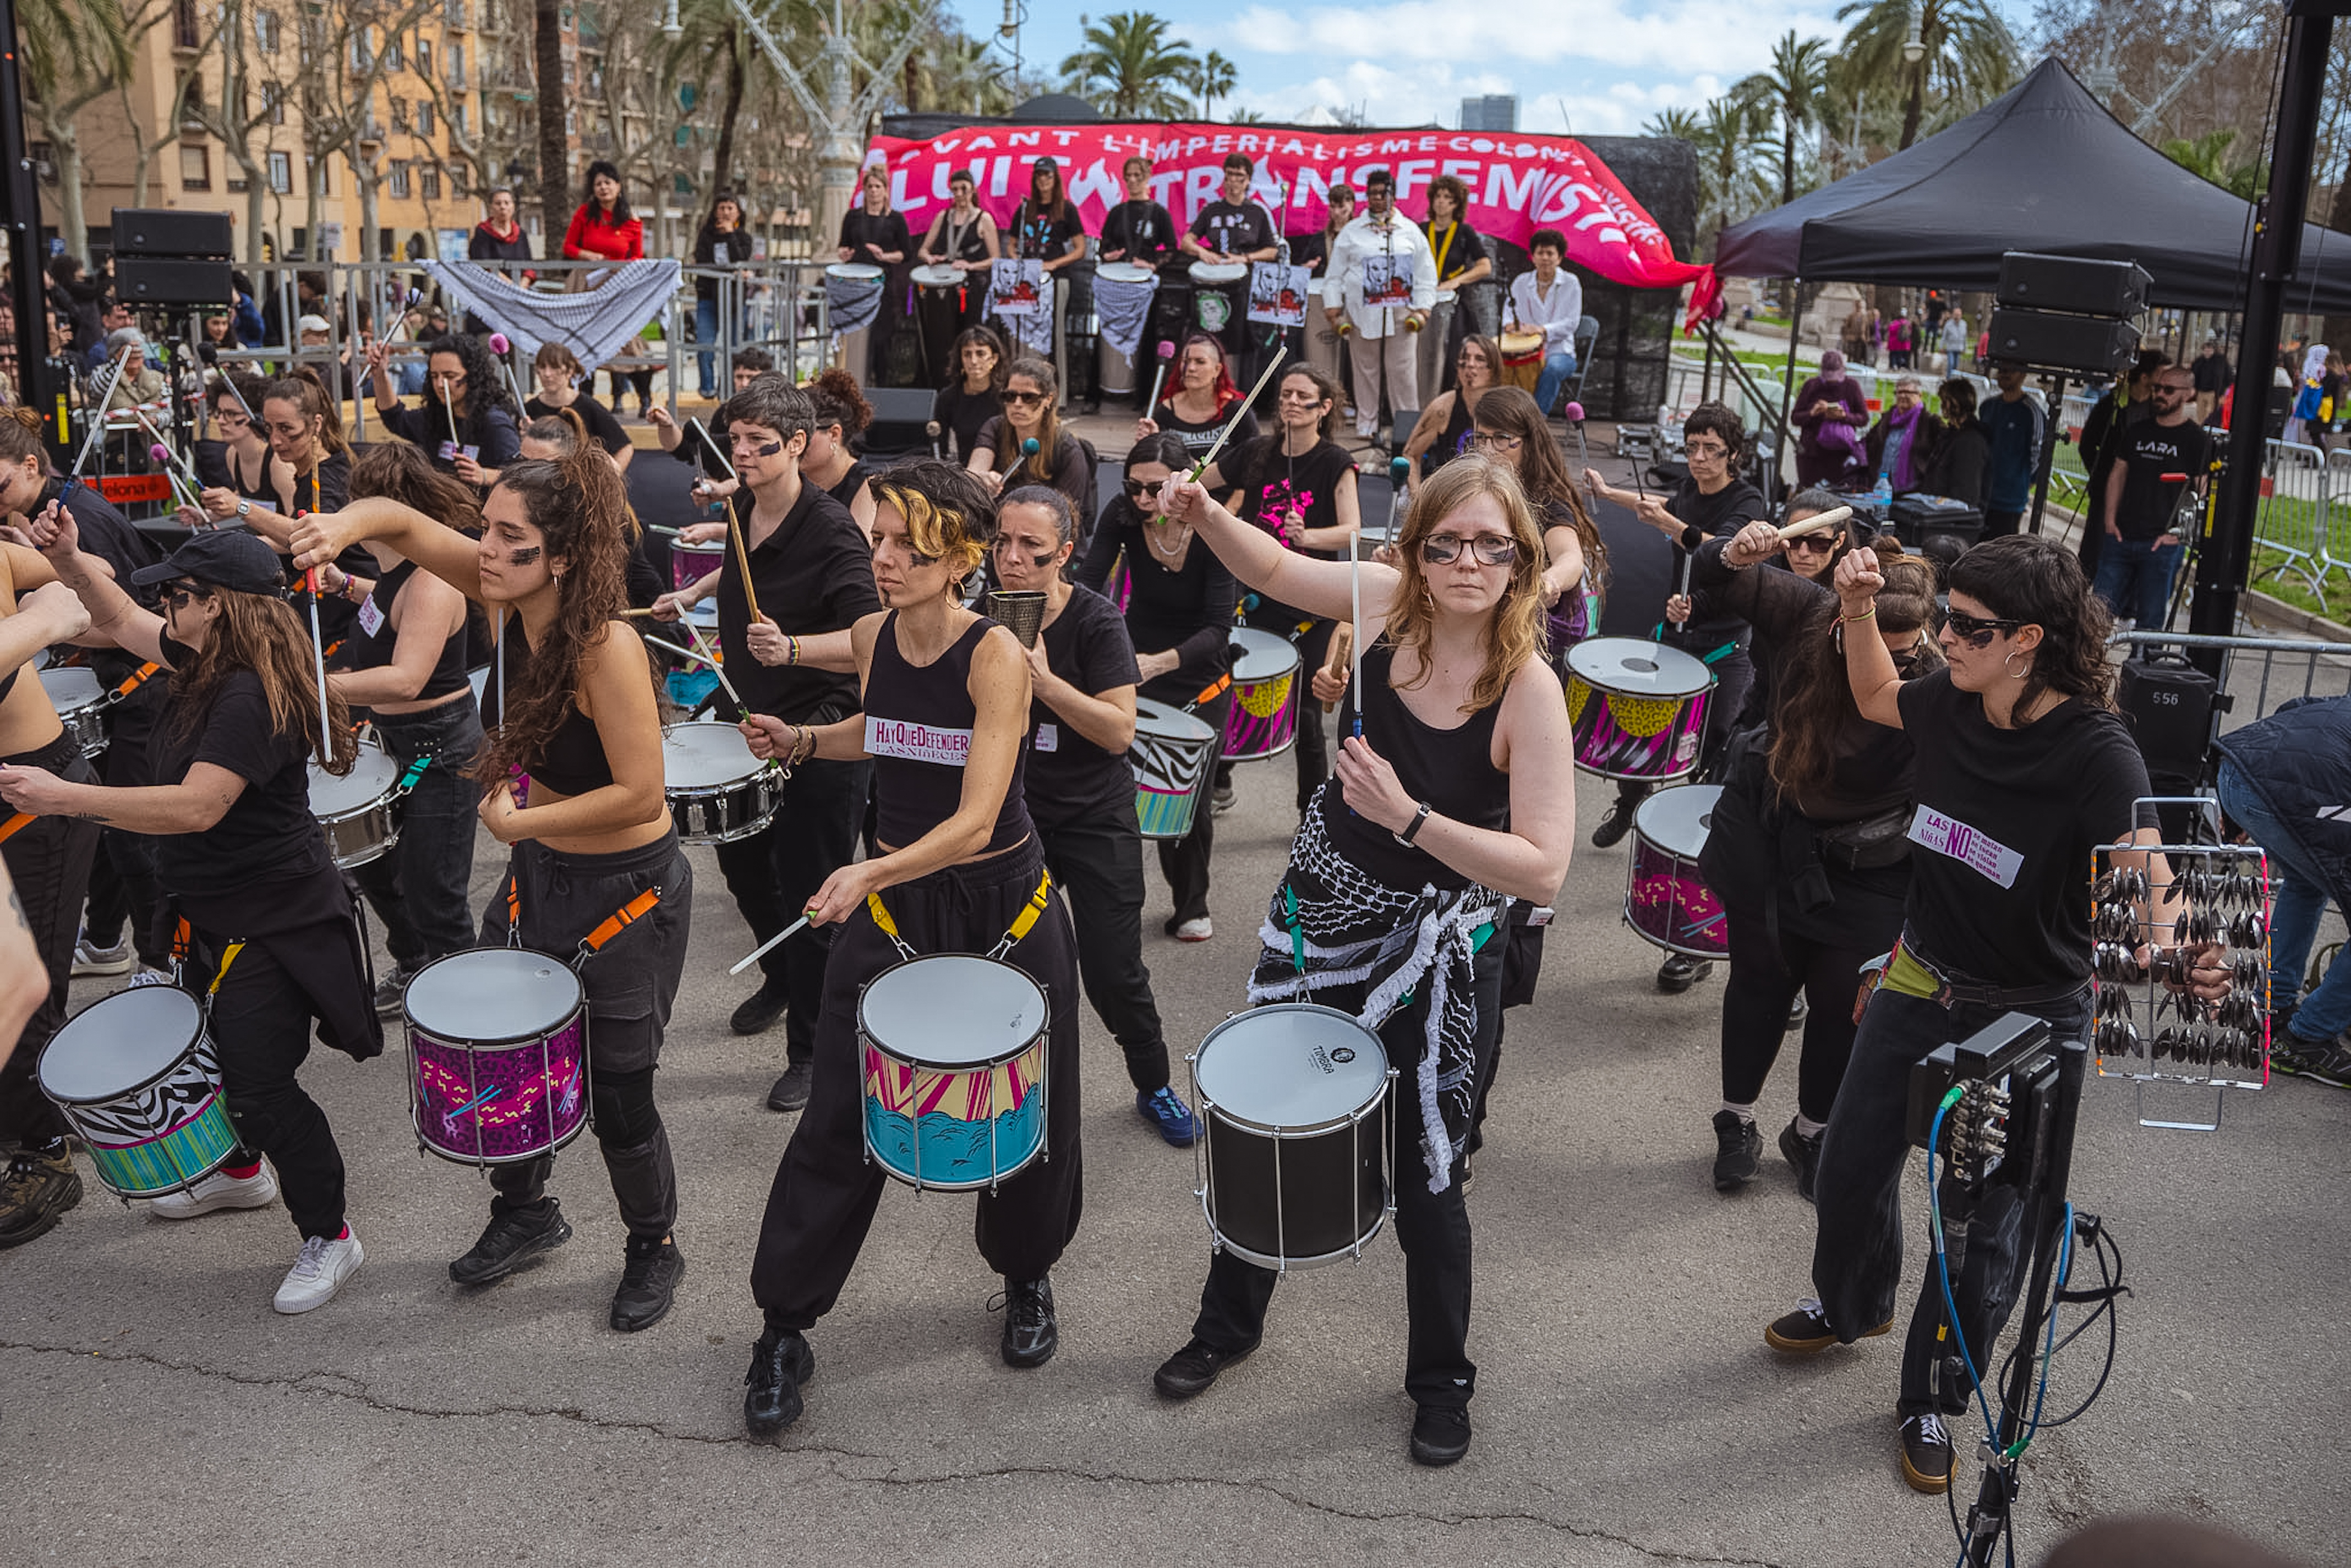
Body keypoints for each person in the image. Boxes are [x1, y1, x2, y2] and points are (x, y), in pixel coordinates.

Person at [1767, 532, 2230, 1496]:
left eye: (1965, 626)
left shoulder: (2098, 750)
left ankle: (1932, 1393)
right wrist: (1855, 610)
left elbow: (2147, 863)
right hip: (1919, 977)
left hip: (2027, 1017)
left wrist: (2186, 944)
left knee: (1982, 1229)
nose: (1941, 637)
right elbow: (1873, 696)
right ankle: (1853, 1304)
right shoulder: (1948, 697)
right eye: (1943, 616)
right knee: (1847, 1172)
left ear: (2027, 639)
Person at [1146, 454, 1576, 1468]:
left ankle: (1439, 1380)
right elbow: (1278, 568)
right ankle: (1229, 1324)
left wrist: (1410, 817)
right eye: (1446, 542)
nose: (1468, 560)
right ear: (1414, 552)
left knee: (1430, 1172)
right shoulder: (1386, 607)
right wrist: (1206, 509)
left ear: (1517, 558)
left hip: (1438, 944)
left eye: (1491, 544)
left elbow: (1544, 863)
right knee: (1270, 1126)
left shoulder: (1529, 688)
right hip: (1326, 911)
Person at [293, 444, 695, 1334]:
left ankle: (653, 1244)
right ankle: (524, 1211)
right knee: (512, 1058)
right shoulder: (503, 595)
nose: (482, 546)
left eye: (506, 535)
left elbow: (641, 791)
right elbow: (397, 520)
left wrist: (522, 825)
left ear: (556, 556)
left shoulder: (605, 644)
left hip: (626, 889)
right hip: (541, 873)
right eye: (484, 526)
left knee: (620, 1093)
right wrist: (337, 526)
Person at [740, 461, 1084, 1438]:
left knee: (1025, 1107)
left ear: (964, 558)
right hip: (894, 911)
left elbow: (977, 817)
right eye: (879, 539)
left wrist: (866, 873)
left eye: (907, 546)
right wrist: (804, 742)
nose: (882, 558)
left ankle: (1025, 1275)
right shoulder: (870, 634)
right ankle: (783, 1325)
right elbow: (888, 730)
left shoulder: (997, 658)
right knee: (837, 1121)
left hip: (1000, 907)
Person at [7, 525, 380, 1312]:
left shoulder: (247, 692)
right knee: (212, 1059)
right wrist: (69, 556)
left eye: (178, 595)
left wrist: (66, 797)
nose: (163, 605)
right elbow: (117, 617)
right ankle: (240, 1175)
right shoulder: (207, 657)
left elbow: (198, 807)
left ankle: (331, 1233)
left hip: (271, 919)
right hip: (211, 909)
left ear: (219, 606)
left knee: (258, 1080)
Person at [1687, 521, 1939, 1197]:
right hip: (1774, 832)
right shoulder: (1807, 613)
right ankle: (1735, 1118)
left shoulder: (1939, 679)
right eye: (1873, 647)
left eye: (1906, 656)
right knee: (1761, 983)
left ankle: (1812, 1130)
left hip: (1875, 857)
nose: (1889, 670)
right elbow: (1718, 577)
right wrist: (1730, 550)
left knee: (1838, 1001)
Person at [651, 378, 878, 1111]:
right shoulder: (745, 504)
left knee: (812, 888)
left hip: (821, 718)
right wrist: (695, 594)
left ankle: (814, 1051)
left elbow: (873, 643)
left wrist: (795, 649)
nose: (742, 455)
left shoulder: (836, 531)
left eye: (759, 444)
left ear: (799, 447)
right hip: (750, 705)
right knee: (742, 857)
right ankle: (783, 979)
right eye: (737, 440)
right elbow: (749, 564)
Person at [992, 484, 1199, 1145]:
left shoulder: (1097, 620)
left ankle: (1154, 1084)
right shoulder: (979, 614)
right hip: (1015, 815)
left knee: (1113, 968)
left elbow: (1118, 732)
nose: (1012, 558)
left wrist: (1046, 682)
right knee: (1011, 960)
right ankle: (1014, 1094)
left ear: (1065, 554)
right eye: (1002, 541)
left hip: (1094, 813)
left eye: (1032, 546)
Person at [1580, 402, 1766, 993]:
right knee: (1644, 730)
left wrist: (1669, 526)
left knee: (1713, 753)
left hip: (1727, 644)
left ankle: (1692, 872)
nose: (1700, 458)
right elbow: (1649, 509)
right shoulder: (1685, 488)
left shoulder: (1748, 502)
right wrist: (1605, 491)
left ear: (1733, 452)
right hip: (1679, 631)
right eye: (1692, 446)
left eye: (1711, 448)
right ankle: (1632, 800)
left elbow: (1727, 552)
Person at [314, 445, 484, 1014]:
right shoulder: (391, 573)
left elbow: (408, 679)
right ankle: (416, 964)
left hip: (439, 746)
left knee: (436, 891)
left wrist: (315, 685)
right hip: (396, 743)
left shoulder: (433, 582)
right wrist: (345, 586)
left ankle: (465, 1008)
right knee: (376, 864)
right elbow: (387, 608)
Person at [1075, 434, 1239, 952]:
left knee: (1186, 798)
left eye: (1153, 488)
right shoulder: (1123, 516)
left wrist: (1156, 663)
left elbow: (1219, 628)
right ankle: (1111, 901)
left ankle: (1192, 904)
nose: (1142, 499)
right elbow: (1089, 583)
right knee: (1111, 790)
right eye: (1133, 486)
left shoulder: (1214, 529)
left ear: (1183, 481)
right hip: (1133, 658)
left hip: (1198, 673)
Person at [1199, 364, 1361, 830]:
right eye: (1285, 394)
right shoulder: (1257, 452)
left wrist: (1307, 534)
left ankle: (1310, 815)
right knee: (1225, 695)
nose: (1289, 403)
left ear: (1324, 408)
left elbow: (1352, 530)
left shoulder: (1336, 462)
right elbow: (1201, 480)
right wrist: (1173, 469)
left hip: (1312, 603)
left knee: (1309, 718)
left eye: (1302, 396)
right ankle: (1218, 782)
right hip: (1255, 597)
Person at [0, 552, 102, 1249]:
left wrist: (58, 604)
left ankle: (46, 1150)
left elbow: (86, 568)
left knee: (27, 987)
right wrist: (42, 619)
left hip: (36, 797)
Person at [2215, 697, 2351, 1082]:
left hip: (2240, 768)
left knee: (2307, 883)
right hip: (2283, 792)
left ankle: (2272, 1007)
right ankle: (2308, 1038)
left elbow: (2294, 706)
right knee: (2316, 876)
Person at [2093, 363, 2208, 632]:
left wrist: (2180, 534)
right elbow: (2118, 474)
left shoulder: (2196, 439)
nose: (2160, 394)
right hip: (2122, 536)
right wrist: (2110, 520)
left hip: (2162, 544)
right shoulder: (2138, 431)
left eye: (2168, 390)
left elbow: (2203, 491)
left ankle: (2142, 670)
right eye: (2157, 388)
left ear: (2187, 394)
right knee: (2096, 614)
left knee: (2151, 622)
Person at [1324, 169, 1436, 440]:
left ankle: (1406, 428)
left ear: (1394, 196)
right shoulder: (1351, 231)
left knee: (1403, 373)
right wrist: (1334, 309)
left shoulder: (1410, 231)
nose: (1377, 198)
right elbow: (1334, 275)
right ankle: (1367, 426)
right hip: (1362, 314)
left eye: (1383, 193)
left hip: (1401, 315)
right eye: (1372, 193)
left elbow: (1425, 275)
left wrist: (1422, 310)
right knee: (1365, 372)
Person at [365, 331, 522, 486]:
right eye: (434, 376)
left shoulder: (494, 423)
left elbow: (520, 476)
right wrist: (380, 375)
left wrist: (486, 476)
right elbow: (395, 418)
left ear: (473, 377)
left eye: (450, 376)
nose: (440, 385)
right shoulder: (436, 417)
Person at [2075, 351, 2166, 580]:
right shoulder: (2112, 405)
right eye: (2160, 374)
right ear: (2145, 377)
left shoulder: (2156, 411)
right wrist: (2101, 477)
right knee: (2094, 550)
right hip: (2106, 492)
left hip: (2140, 498)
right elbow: (2087, 445)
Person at [969, 355, 1090, 516]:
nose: (1017, 404)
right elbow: (974, 471)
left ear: (1048, 399)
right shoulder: (995, 426)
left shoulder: (1067, 448)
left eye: (1029, 397)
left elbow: (1065, 516)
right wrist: (980, 479)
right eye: (1010, 396)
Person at [1001, 156, 1087, 360]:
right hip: (1026, 279)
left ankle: (1054, 385)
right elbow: (1011, 246)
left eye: (1048, 175)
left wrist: (1052, 265)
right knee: (1020, 332)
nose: (1043, 180)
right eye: (1039, 175)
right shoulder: (1024, 209)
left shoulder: (1067, 209)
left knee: (1053, 332)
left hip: (1056, 279)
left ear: (1055, 178)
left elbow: (1080, 249)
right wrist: (1018, 263)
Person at [1417, 175, 1492, 400]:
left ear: (1457, 204)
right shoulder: (1419, 230)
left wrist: (1458, 280)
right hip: (1421, 301)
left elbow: (1485, 266)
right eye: (1438, 197)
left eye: (1447, 198)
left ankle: (1448, 401)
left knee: (1452, 356)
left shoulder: (1463, 233)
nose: (1441, 202)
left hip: (1450, 302)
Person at [1135, 331, 1259, 465]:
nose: (1191, 368)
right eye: (1186, 361)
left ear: (1217, 370)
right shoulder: (1164, 412)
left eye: (1200, 362)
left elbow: (1254, 461)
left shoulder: (1237, 411)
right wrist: (1152, 444)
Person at [1505, 228, 1583, 418]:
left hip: (1560, 352)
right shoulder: (1521, 283)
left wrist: (1542, 330)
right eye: (1541, 253)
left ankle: (1536, 420)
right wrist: (1511, 326)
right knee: (1504, 365)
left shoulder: (1571, 283)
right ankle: (1509, 417)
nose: (1545, 258)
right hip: (1525, 351)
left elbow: (1572, 323)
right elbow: (1507, 315)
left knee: (1552, 369)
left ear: (1560, 258)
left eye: (1550, 253)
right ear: (1532, 257)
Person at [1402, 335, 1501, 484]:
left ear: (1493, 368)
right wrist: (1418, 498)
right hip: (1448, 493)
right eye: (1465, 358)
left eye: (1480, 359)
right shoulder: (1442, 408)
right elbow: (1410, 455)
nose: (1470, 365)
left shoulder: (1504, 408)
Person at [916, 167, 1002, 334]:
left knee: (970, 331)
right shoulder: (943, 216)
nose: (960, 194)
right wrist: (931, 258)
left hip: (972, 285)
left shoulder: (983, 219)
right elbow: (923, 251)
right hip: (944, 283)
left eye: (964, 189)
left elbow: (995, 258)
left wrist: (971, 266)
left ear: (973, 190)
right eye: (955, 190)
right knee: (942, 332)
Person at [522, 341, 632, 469]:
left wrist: (612, 480)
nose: (547, 374)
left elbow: (625, 447)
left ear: (569, 371)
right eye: (542, 367)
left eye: (554, 367)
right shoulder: (528, 410)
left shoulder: (588, 406)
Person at [691, 192, 751, 399]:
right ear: (715, 211)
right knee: (705, 344)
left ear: (738, 213)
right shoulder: (706, 235)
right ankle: (707, 388)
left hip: (735, 299)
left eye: (730, 208)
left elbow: (742, 259)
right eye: (722, 208)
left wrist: (730, 235)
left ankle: (727, 388)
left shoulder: (743, 237)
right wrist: (731, 273)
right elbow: (702, 260)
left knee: (734, 347)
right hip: (708, 297)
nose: (725, 212)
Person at [1299, 183, 1357, 397]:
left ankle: (1350, 397)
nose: (1338, 213)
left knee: (1353, 351)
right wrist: (1309, 267)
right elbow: (1302, 267)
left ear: (1352, 206)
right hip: (1326, 299)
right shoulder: (1319, 239)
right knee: (1324, 346)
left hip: (1352, 297)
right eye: (1334, 207)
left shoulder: (1359, 236)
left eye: (1343, 207)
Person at [1976, 363, 2047, 535]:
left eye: (2010, 370)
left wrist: (2023, 483)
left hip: (2009, 499)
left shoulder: (2032, 412)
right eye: (2000, 370)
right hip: (1980, 495)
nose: (2004, 374)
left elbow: (2038, 455)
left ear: (2023, 374)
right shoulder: (1988, 406)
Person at [803, 366, 878, 527]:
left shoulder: (866, 487)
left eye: (805, 434)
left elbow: (864, 548)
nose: (794, 443)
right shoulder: (792, 476)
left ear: (834, 434)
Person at [1789, 348, 1869, 489]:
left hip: (1839, 453)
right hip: (1812, 453)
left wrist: (1844, 416)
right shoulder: (1812, 386)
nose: (1832, 380)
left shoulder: (1851, 386)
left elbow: (1863, 418)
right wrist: (1812, 413)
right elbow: (1795, 418)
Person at [932, 326, 1007, 465]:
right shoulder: (948, 398)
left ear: (994, 359)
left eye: (980, 354)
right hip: (967, 475)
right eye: (967, 354)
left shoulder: (1006, 396)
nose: (973, 361)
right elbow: (939, 447)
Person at [560, 160, 645, 280]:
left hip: (619, 281)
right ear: (593, 190)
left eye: (607, 183)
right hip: (586, 279)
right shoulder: (584, 213)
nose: (603, 187)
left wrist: (620, 267)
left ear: (618, 186)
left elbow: (638, 259)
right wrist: (588, 256)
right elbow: (568, 247)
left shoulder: (632, 220)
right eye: (598, 184)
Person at [466, 189, 535, 335]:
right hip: (490, 301)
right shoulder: (482, 233)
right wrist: (512, 287)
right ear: (491, 208)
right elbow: (486, 267)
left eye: (507, 203)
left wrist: (521, 288)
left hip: (516, 302)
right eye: (498, 203)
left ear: (513, 207)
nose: (503, 207)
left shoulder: (521, 234)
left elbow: (529, 267)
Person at [1861, 375, 1938, 498]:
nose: (1902, 396)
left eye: (1908, 392)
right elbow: (1870, 441)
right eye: (1899, 392)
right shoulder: (1888, 418)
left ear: (1920, 395)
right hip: (1882, 486)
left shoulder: (1930, 422)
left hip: (1913, 490)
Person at [1916, 378, 1989, 507]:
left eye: (1944, 402)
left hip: (1950, 517)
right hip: (1938, 510)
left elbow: (1965, 494)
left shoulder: (1970, 441)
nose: (1942, 406)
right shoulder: (1951, 434)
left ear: (1954, 404)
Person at [1099, 155, 1179, 271]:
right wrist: (1107, 256)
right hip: (1116, 273)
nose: (1132, 180)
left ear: (1147, 177)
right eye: (1128, 176)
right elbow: (1104, 246)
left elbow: (1171, 250)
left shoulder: (1159, 213)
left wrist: (1153, 266)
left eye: (1137, 175)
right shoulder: (1116, 212)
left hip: (1144, 276)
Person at [2190, 336, 2233, 427]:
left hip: (2214, 392)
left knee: (2211, 414)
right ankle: (2200, 428)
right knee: (2200, 413)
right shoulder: (2199, 361)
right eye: (2206, 350)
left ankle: (2207, 428)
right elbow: (2193, 374)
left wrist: (2224, 392)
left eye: (2210, 350)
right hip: (2201, 391)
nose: (2207, 352)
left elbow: (2228, 376)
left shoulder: (2220, 361)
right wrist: (2194, 387)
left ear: (2214, 350)